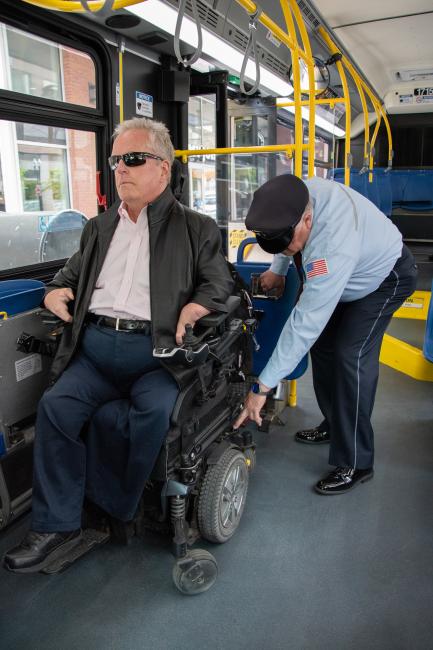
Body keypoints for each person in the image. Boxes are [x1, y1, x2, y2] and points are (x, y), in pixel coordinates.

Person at [4, 117, 233, 573]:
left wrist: (195, 309)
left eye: (132, 159)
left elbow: (220, 285)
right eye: (115, 160)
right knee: (56, 409)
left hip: (156, 356)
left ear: (163, 170)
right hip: (95, 349)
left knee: (151, 416)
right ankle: (55, 525)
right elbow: (66, 278)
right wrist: (52, 292)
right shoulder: (98, 228)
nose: (120, 169)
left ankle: (117, 509)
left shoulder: (196, 228)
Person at [234, 174, 417, 494]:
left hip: (385, 276)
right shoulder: (293, 197)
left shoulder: (332, 242)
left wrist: (262, 386)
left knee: (351, 354)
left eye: (291, 244)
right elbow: (285, 238)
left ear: (307, 219)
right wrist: (278, 269)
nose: (291, 251)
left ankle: (357, 461)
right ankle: (335, 423)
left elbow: (304, 323)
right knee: (323, 346)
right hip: (347, 274)